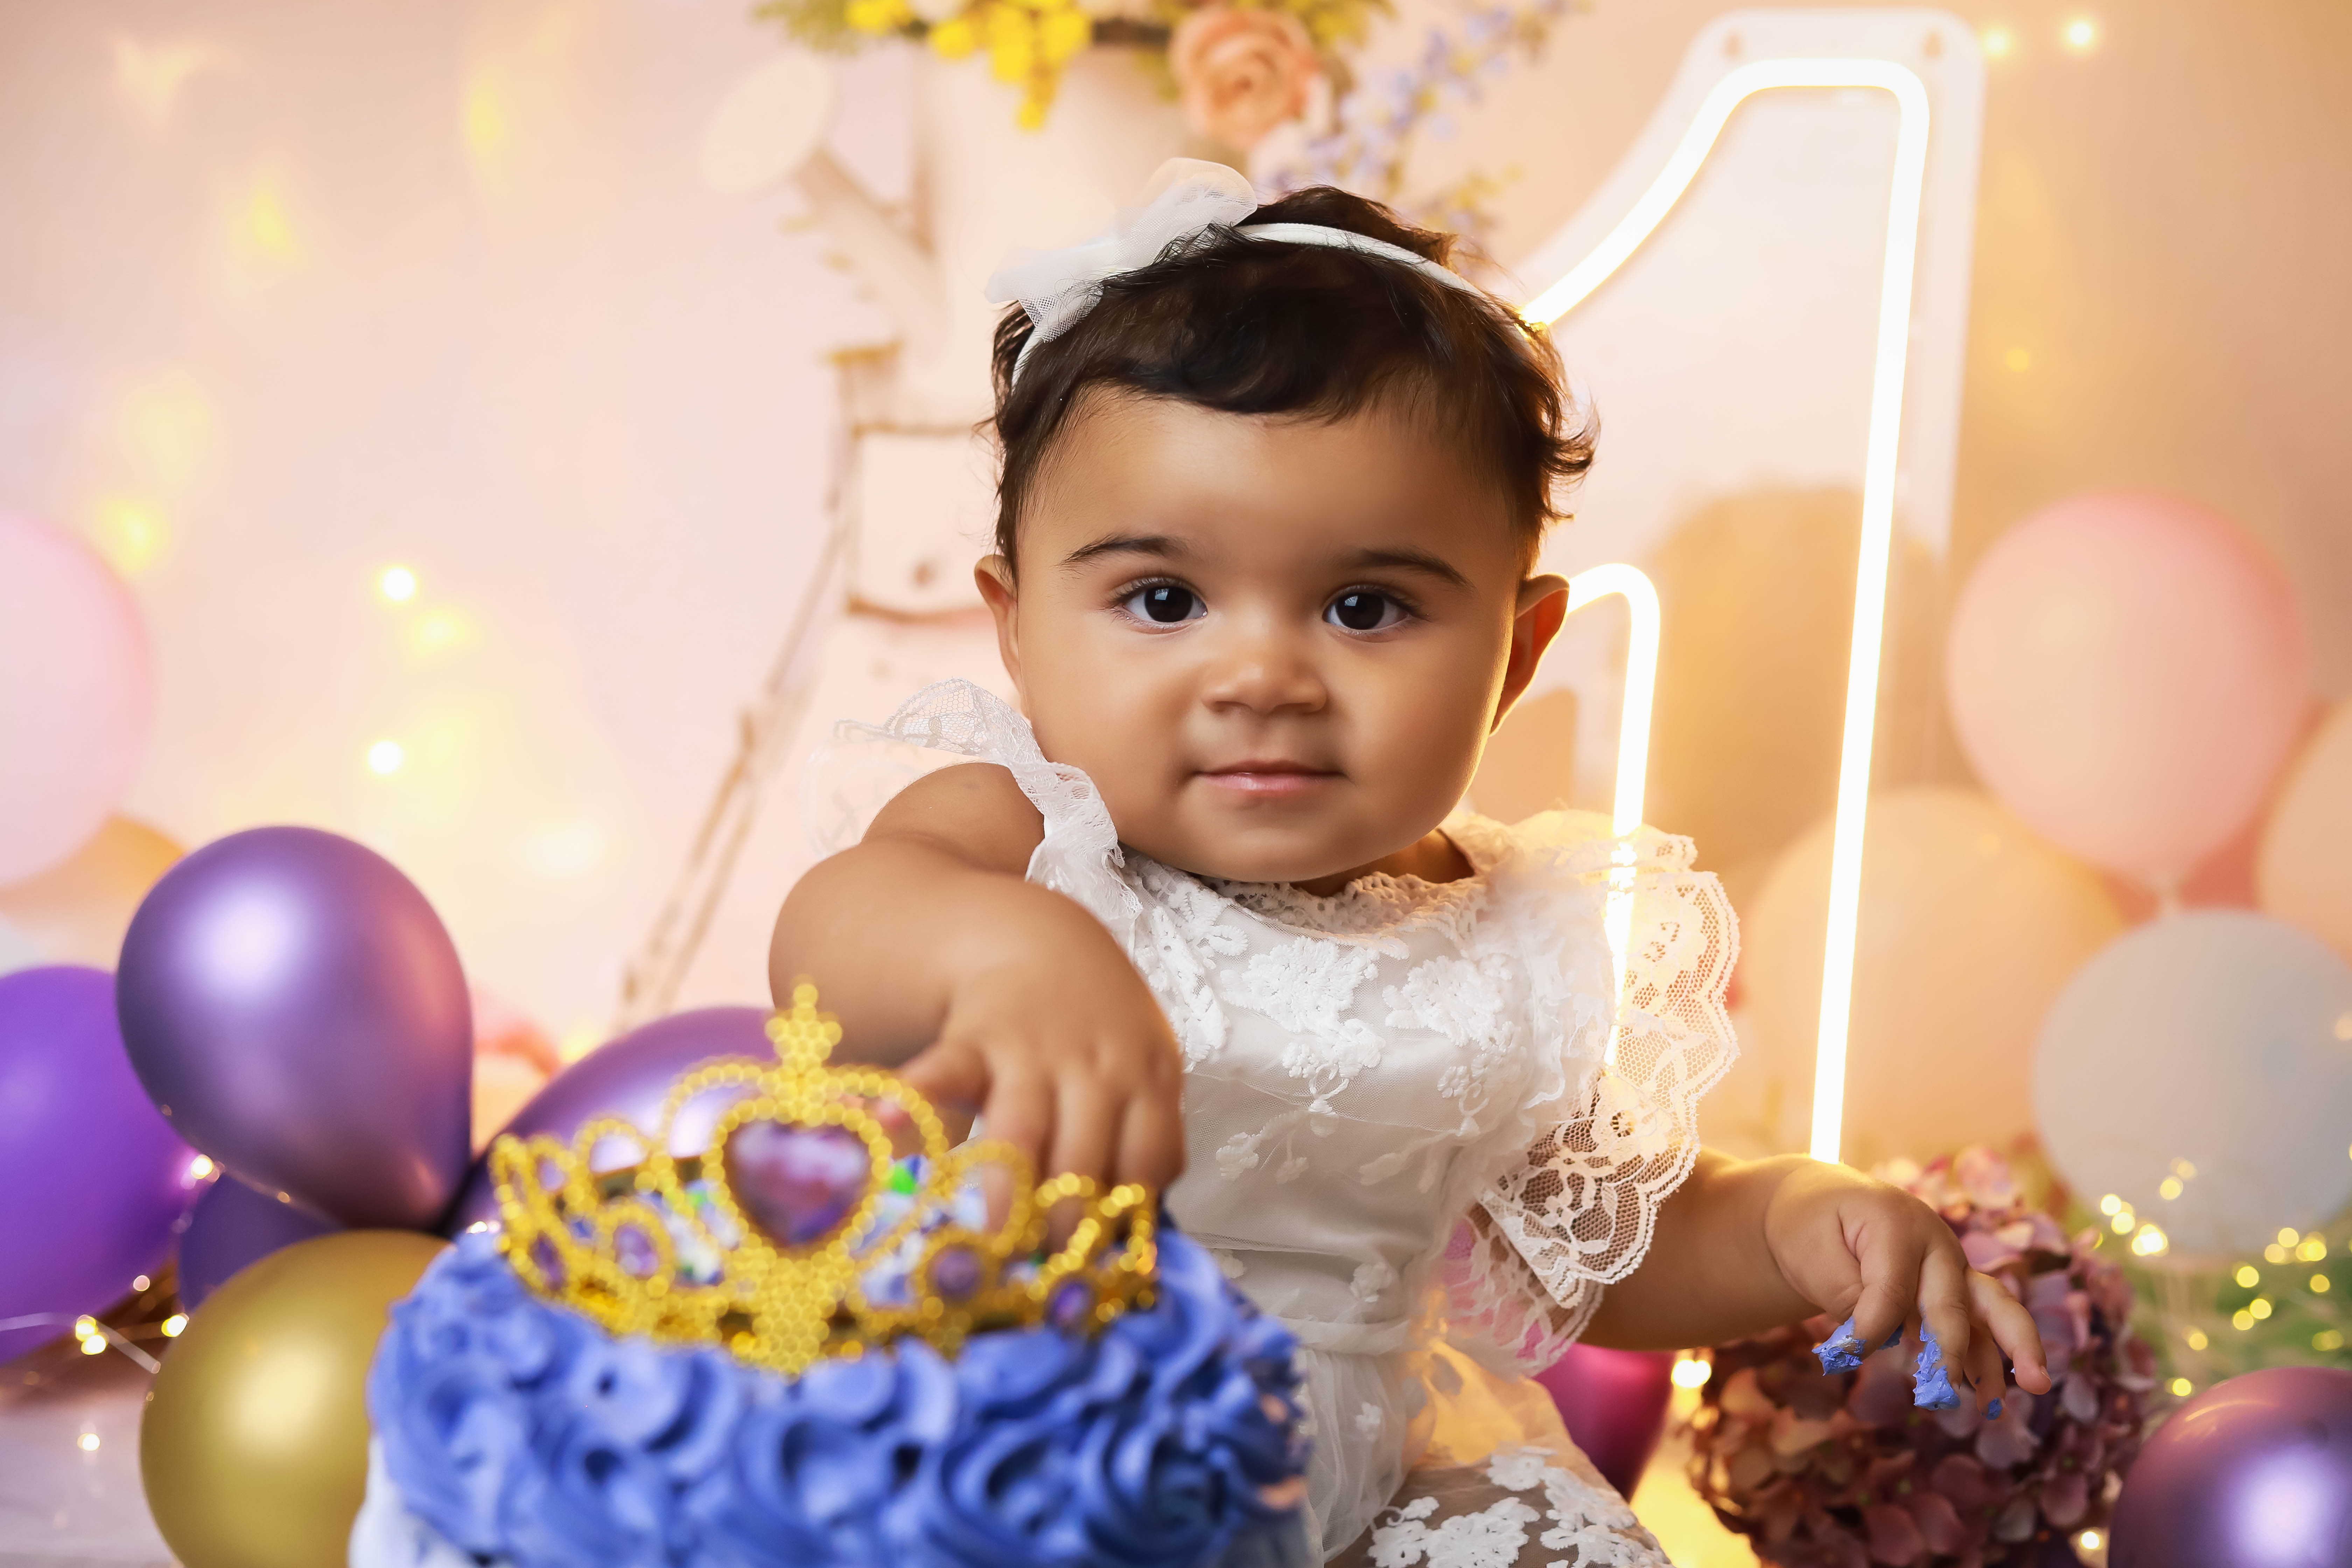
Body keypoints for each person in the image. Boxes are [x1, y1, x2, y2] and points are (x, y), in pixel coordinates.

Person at [769, 161, 2049, 1565]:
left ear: (1520, 650)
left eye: (1365, 607)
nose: (1263, 675)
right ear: (1016, 628)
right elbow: (841, 930)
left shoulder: (1511, 924)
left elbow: (1609, 1241)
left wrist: (1796, 1220)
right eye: (1165, 598)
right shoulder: (1024, 831)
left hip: (1373, 1467)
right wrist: (1003, 949)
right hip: (1036, 1440)